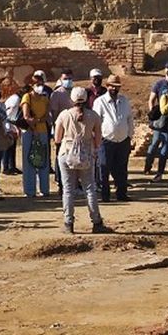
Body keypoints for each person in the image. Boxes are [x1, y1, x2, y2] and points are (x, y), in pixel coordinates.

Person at [55, 86, 109, 234]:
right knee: (90, 189)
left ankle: (68, 223)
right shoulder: (93, 116)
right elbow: (98, 140)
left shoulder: (64, 115)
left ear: (71, 99)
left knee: (68, 190)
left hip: (67, 152)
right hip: (86, 154)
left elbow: (57, 138)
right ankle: (96, 222)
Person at [94, 75, 134, 202]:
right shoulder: (100, 102)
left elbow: (129, 119)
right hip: (106, 140)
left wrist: (129, 136)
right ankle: (105, 194)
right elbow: (97, 122)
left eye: (117, 87)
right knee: (104, 167)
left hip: (123, 140)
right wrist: (97, 139)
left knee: (122, 168)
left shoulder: (124, 100)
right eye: (112, 86)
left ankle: (121, 193)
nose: (114, 89)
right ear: (107, 86)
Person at [19, 73, 52, 199]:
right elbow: (26, 116)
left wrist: (38, 122)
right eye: (37, 84)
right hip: (29, 131)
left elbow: (46, 115)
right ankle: (30, 190)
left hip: (42, 130)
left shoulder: (45, 99)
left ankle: (45, 189)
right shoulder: (27, 97)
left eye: (41, 84)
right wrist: (34, 128)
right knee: (29, 161)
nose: (40, 86)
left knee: (43, 159)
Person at [144, 61, 168, 177]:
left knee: (166, 146)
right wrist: (153, 113)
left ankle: (160, 171)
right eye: (167, 68)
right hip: (160, 119)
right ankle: (147, 166)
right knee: (154, 144)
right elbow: (151, 99)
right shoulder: (159, 84)